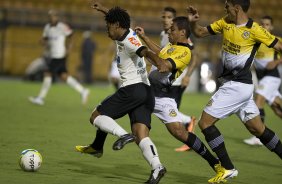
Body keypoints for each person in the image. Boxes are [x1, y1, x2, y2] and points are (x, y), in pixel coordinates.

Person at [187, 0, 282, 183]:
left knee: (205, 123)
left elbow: (279, 46)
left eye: (227, 7)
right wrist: (192, 21)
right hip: (238, 87)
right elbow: (199, 32)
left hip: (236, 86)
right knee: (258, 129)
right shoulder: (225, 23)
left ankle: (228, 168)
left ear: (236, 8)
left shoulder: (255, 29)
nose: (225, 10)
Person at [76, 2, 166, 184]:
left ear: (117, 26)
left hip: (133, 89)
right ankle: (157, 167)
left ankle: (121, 135)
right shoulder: (125, 30)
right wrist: (104, 10)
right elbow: (118, 18)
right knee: (141, 134)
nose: (106, 30)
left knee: (96, 115)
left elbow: (144, 51)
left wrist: (159, 62)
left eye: (108, 26)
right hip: (146, 92)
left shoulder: (129, 40)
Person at [135, 16, 221, 180]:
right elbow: (160, 52)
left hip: (161, 95)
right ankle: (156, 167)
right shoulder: (172, 46)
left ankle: (214, 162)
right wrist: (144, 38)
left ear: (182, 32)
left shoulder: (185, 51)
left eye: (172, 29)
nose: (169, 31)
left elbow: (162, 65)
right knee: (139, 131)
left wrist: (144, 52)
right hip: (147, 92)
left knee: (179, 132)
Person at [29, 10, 89, 105]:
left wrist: (69, 47)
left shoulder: (62, 27)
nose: (52, 17)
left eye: (54, 16)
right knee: (64, 76)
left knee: (47, 73)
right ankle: (83, 91)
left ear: (57, 17)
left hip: (60, 55)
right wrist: (42, 42)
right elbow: (45, 39)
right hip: (53, 55)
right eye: (50, 16)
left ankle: (41, 98)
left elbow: (71, 35)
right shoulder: (47, 28)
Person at [160, 6, 198, 152]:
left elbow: (194, 56)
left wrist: (187, 76)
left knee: (168, 110)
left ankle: (189, 124)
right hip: (167, 79)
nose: (165, 20)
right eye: (163, 17)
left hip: (177, 79)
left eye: (169, 17)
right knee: (168, 109)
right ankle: (189, 129)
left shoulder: (183, 37)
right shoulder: (164, 34)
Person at [243, 16, 282, 146]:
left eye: (267, 24)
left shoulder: (277, 41)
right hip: (263, 78)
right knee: (277, 108)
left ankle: (258, 137)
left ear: (271, 27)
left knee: (258, 100)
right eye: (262, 24)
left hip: (272, 76)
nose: (264, 26)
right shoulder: (256, 41)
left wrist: (277, 62)